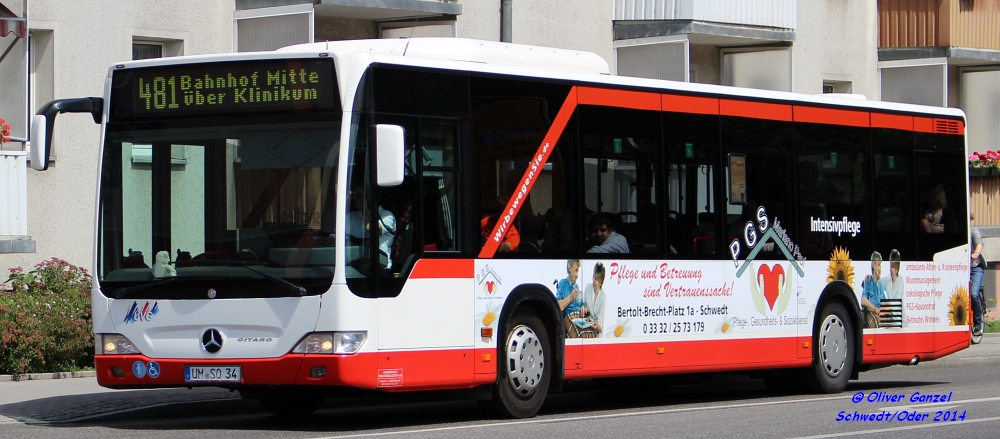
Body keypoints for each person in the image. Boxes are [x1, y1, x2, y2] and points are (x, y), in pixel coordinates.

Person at [347, 184, 396, 269]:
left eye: (358, 195)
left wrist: (367, 206)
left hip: (379, 270)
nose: (354, 198)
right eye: (354, 195)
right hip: (354, 267)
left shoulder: (387, 217)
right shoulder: (350, 217)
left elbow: (371, 228)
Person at [555, 259, 586, 337]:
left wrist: (583, 308)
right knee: (582, 335)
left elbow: (581, 303)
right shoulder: (563, 283)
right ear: (570, 267)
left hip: (579, 318)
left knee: (591, 334)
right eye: (576, 270)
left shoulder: (576, 286)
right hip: (569, 317)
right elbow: (557, 306)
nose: (577, 275)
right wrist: (570, 298)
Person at [879, 249, 905, 327]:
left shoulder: (900, 280)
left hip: (900, 323)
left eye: (892, 267)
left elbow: (897, 301)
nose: (890, 269)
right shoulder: (887, 280)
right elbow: (878, 280)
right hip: (891, 323)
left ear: (896, 269)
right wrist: (870, 276)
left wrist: (884, 309)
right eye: (890, 265)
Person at [580, 262, 606, 337]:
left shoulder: (603, 297)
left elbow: (600, 325)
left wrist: (596, 325)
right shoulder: (588, 288)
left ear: (601, 283)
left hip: (597, 332)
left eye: (596, 279)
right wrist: (583, 308)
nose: (594, 280)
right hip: (586, 328)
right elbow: (583, 304)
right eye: (593, 277)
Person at [971, 216, 987, 337]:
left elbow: (979, 244)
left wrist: (976, 253)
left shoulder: (973, 230)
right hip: (962, 268)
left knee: (973, 294)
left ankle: (978, 323)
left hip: (976, 267)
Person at [860, 251, 885, 328]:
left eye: (880, 266)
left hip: (880, 313)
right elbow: (863, 300)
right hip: (871, 312)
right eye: (879, 265)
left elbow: (884, 302)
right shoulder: (868, 282)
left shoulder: (880, 284)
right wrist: (875, 309)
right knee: (876, 321)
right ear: (874, 265)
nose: (880, 269)